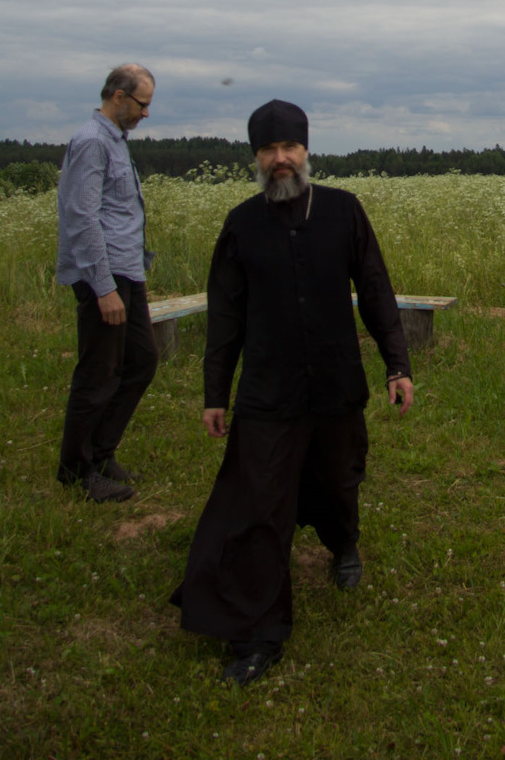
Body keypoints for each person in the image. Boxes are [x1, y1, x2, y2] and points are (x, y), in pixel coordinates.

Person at [171, 99, 414, 688]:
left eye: (290, 148)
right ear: (255, 157)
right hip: (268, 390)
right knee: (259, 504)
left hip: (334, 383)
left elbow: (377, 290)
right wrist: (214, 395)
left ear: (307, 151)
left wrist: (396, 365)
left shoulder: (343, 211)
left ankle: (344, 545)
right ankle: (258, 631)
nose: (281, 159)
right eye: (269, 150)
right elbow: (224, 318)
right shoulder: (241, 224)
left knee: (338, 476)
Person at [56, 63, 158, 502]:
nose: (146, 113)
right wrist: (103, 288)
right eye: (142, 104)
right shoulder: (92, 142)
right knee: (99, 374)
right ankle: (76, 472)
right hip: (106, 276)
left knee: (140, 363)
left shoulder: (115, 142)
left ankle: (99, 452)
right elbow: (81, 218)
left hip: (127, 271)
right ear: (118, 96)